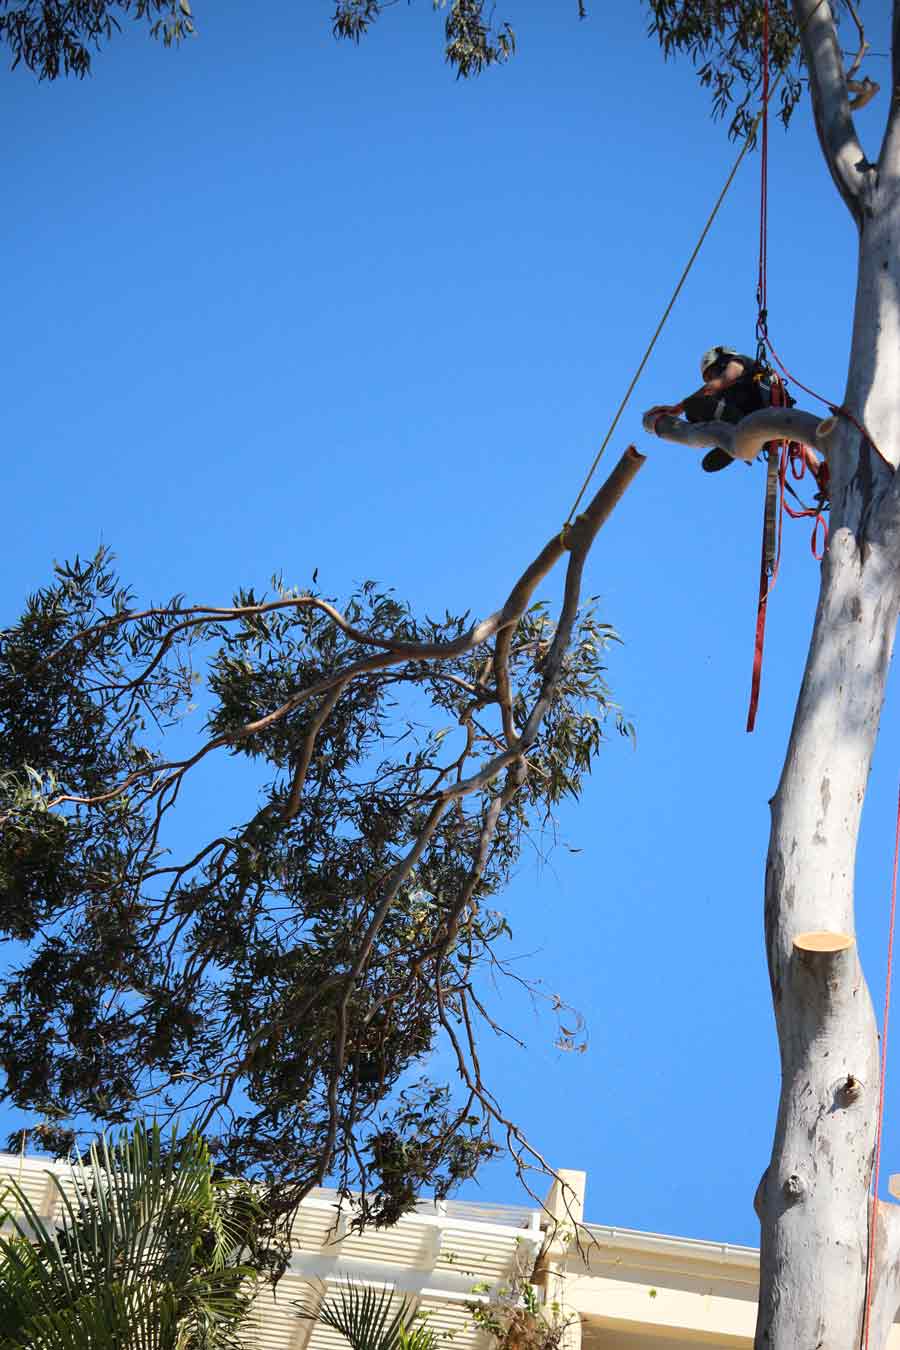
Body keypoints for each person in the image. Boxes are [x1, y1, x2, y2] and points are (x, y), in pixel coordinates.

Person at [645, 345, 826, 486]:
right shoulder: (732, 394)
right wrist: (818, 472)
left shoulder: (739, 362)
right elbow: (798, 440)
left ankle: (728, 440)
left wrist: (679, 408)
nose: (711, 380)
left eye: (712, 373)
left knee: (694, 406)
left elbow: (721, 382)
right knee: (707, 457)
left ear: (722, 361)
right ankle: (728, 443)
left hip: (757, 418)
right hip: (754, 425)